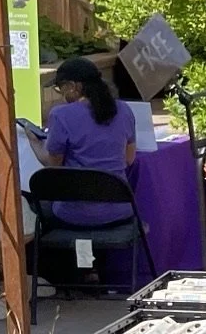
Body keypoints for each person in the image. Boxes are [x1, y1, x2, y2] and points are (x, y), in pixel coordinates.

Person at [29, 57, 137, 230]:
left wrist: (33, 141)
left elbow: (52, 166)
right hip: (120, 208)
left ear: (73, 86)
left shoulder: (61, 115)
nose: (61, 93)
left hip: (74, 212)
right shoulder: (124, 110)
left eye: (60, 88)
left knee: (32, 206)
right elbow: (129, 159)